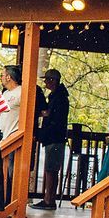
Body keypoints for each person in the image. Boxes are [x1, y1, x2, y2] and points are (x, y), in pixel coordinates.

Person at [32, 68, 69, 209]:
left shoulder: (58, 99)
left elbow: (54, 120)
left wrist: (42, 133)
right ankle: (49, 198)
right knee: (52, 169)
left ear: (53, 81)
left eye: (47, 79)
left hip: (54, 138)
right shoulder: (58, 97)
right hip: (56, 138)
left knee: (51, 170)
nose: (45, 82)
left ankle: (49, 200)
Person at [0, 65, 23, 140]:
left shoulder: (21, 91)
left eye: (2, 75)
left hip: (13, 139)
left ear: (8, 77)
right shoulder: (5, 93)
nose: (0, 78)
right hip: (3, 138)